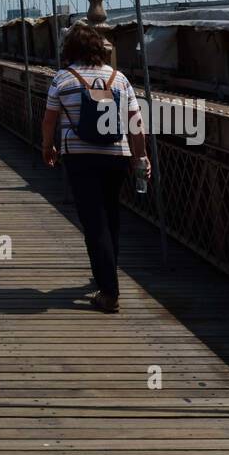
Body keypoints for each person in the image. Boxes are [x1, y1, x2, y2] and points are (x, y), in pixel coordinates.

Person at [41, 21, 149, 314]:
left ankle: (109, 291)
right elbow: (136, 123)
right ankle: (107, 275)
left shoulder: (63, 78)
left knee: (93, 223)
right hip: (117, 157)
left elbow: (49, 120)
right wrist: (141, 157)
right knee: (111, 216)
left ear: (70, 50)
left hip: (80, 157)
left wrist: (47, 147)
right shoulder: (119, 78)